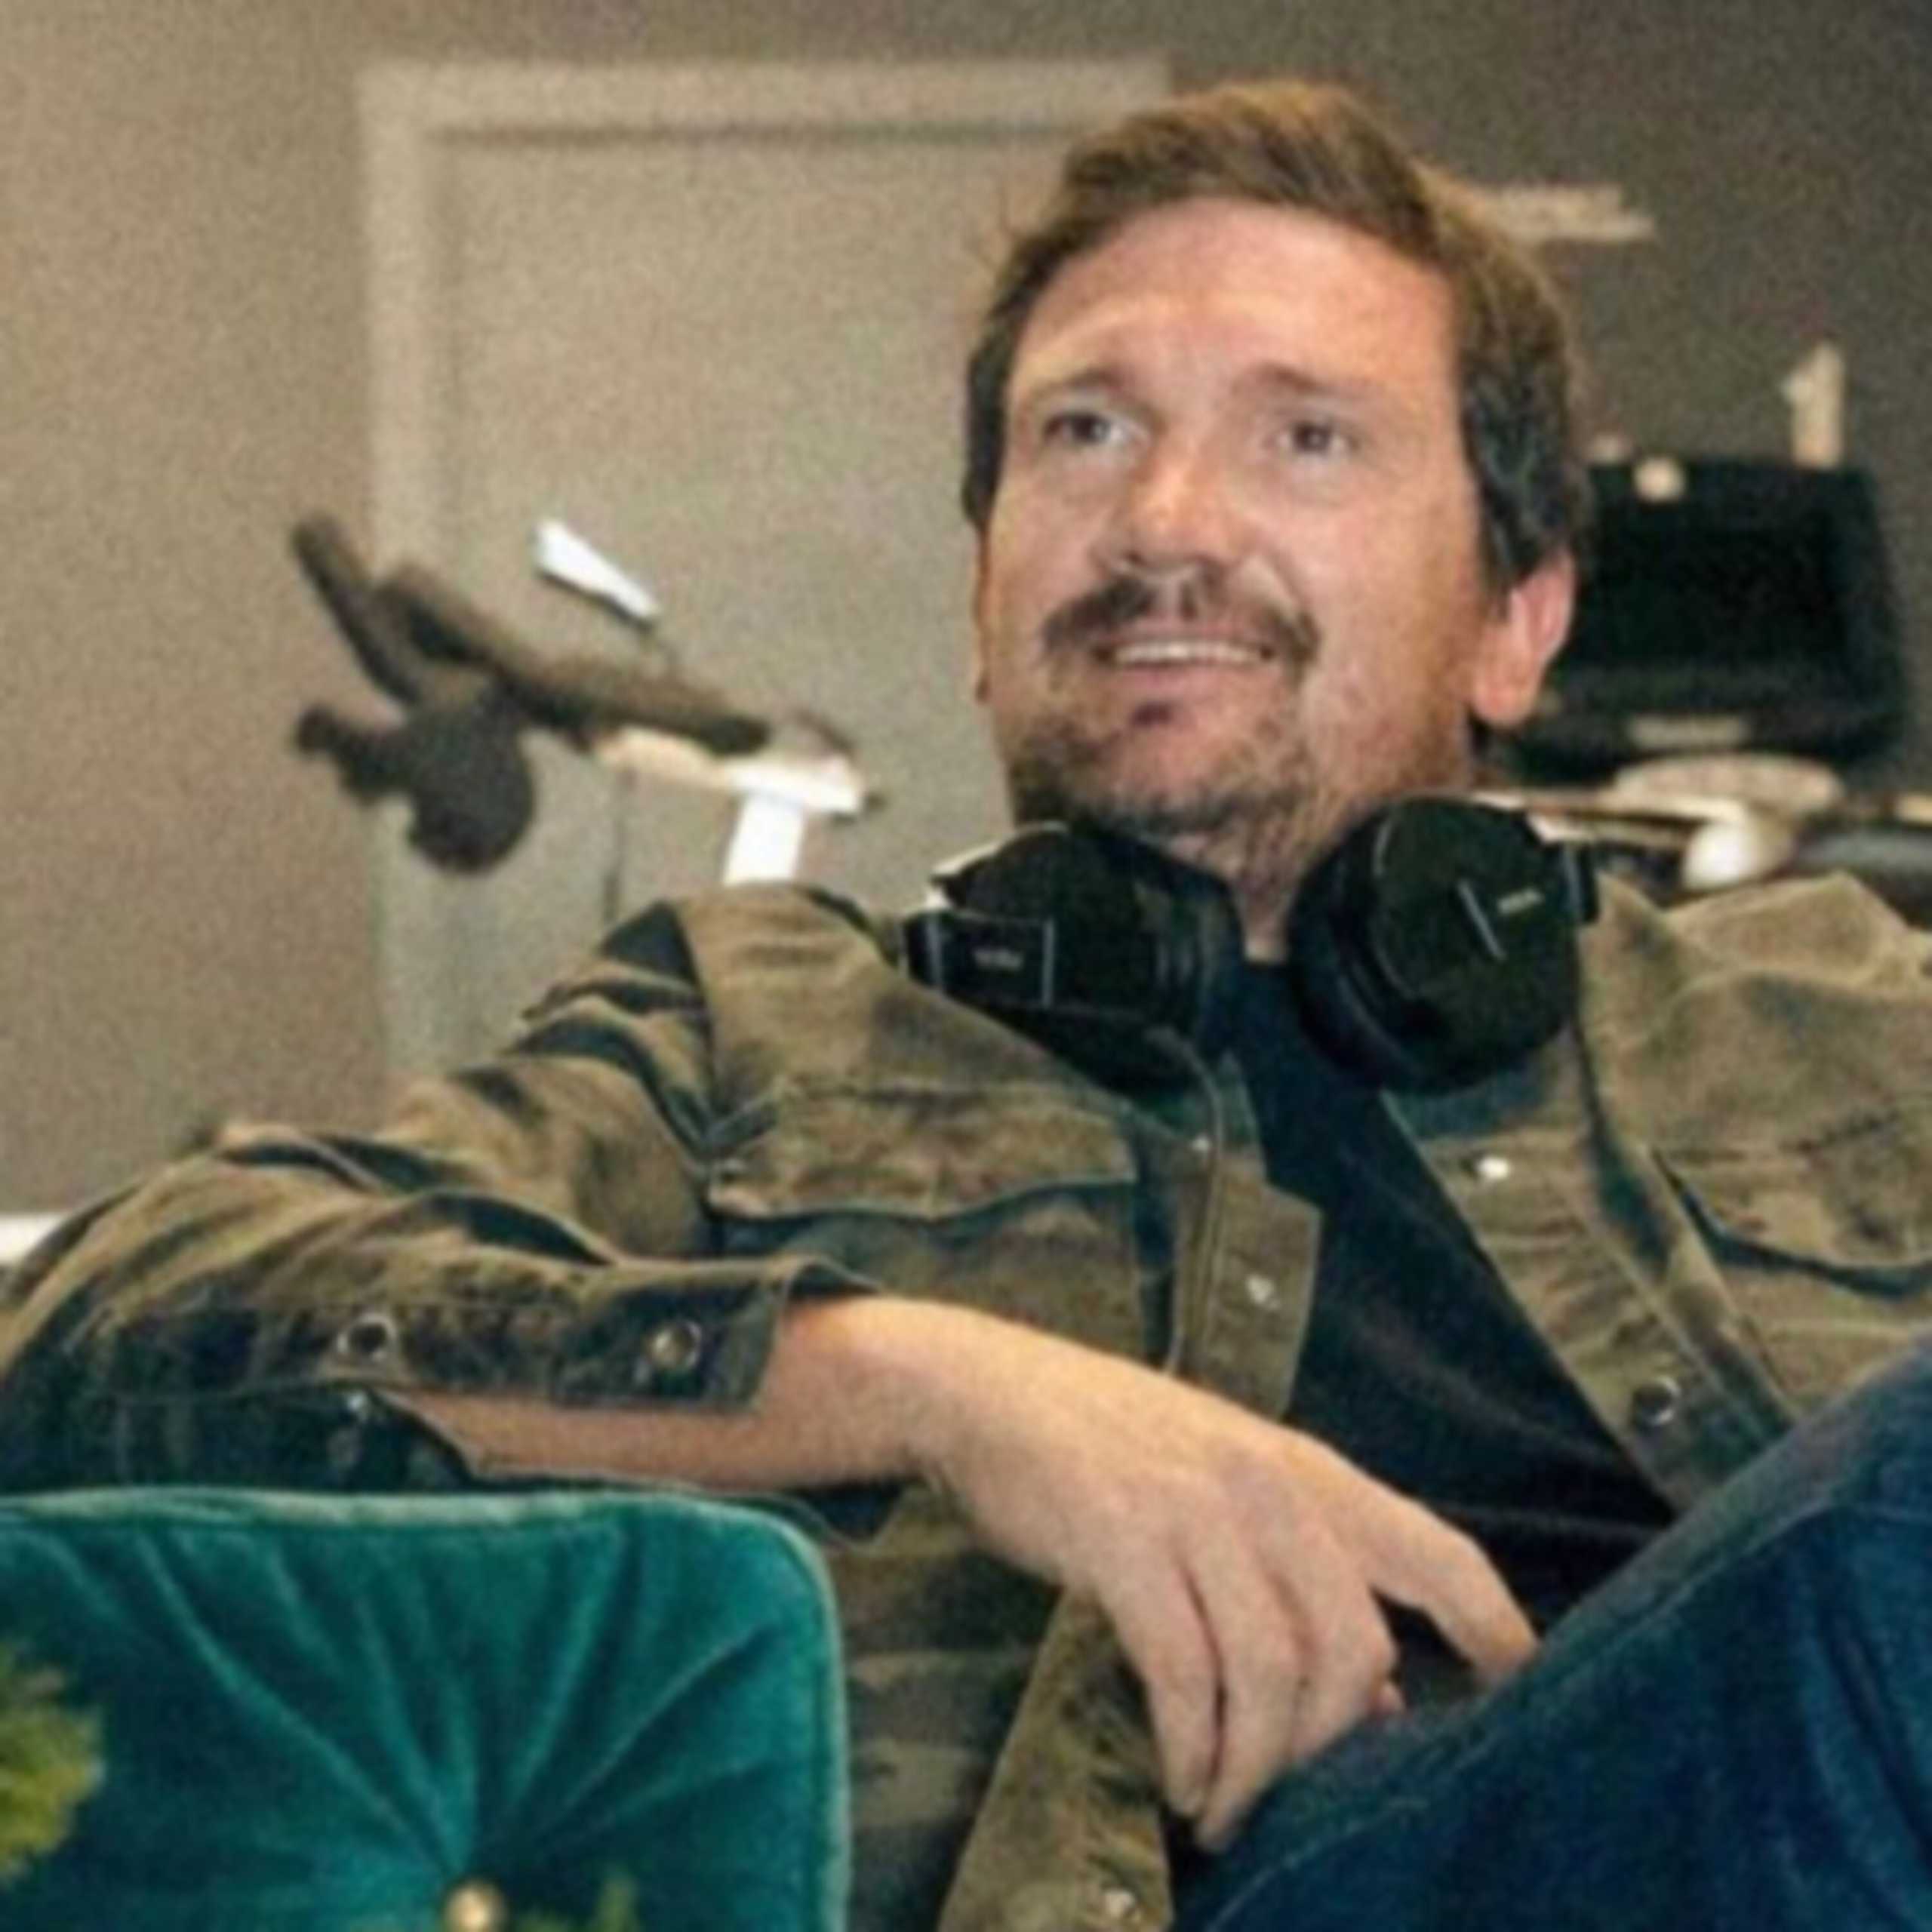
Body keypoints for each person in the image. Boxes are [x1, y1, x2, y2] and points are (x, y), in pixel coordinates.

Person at [7, 74, 1932, 1932]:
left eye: (1303, 437)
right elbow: (98, 1338)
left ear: (1518, 616)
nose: (1165, 518)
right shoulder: (747, 1035)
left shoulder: (1824, 1012)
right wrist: (923, 1381)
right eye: (1083, 430)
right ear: (979, 596)